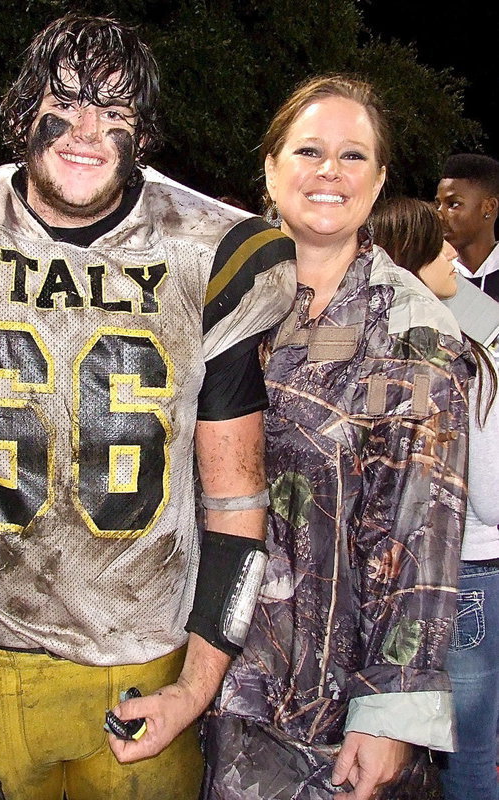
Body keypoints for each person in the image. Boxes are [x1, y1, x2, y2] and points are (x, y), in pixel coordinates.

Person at [0, 14, 297, 800]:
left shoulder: (212, 253)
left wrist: (195, 685)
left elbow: (237, 500)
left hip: (145, 655)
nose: (90, 130)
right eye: (67, 102)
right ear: (23, 113)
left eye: (117, 113)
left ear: (145, 137)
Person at [202, 76, 472, 800]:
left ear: (380, 179)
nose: (330, 171)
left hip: (324, 716)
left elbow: (418, 532)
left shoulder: (409, 333)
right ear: (269, 166)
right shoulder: (215, 300)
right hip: (202, 685)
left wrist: (390, 714)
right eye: (310, 150)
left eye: (354, 156)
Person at [373, 196, 499, 800]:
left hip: (377, 581)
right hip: (467, 574)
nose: (454, 250)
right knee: (469, 760)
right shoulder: (459, 353)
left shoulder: (356, 345)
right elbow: (493, 500)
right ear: (410, 262)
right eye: (437, 242)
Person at [436, 153, 499, 301]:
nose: (440, 214)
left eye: (453, 204)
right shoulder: (435, 276)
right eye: (438, 204)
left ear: (489, 207)